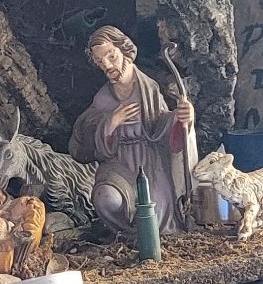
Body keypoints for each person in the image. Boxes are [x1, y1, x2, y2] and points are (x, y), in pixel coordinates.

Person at [69, 25, 194, 235]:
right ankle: (126, 234)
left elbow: (161, 126)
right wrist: (110, 123)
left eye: (111, 56)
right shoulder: (102, 99)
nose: (107, 65)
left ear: (124, 51)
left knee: (156, 215)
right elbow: (85, 133)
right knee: (105, 197)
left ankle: (152, 237)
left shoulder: (149, 89)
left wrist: (182, 118)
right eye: (100, 61)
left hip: (151, 163)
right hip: (119, 164)